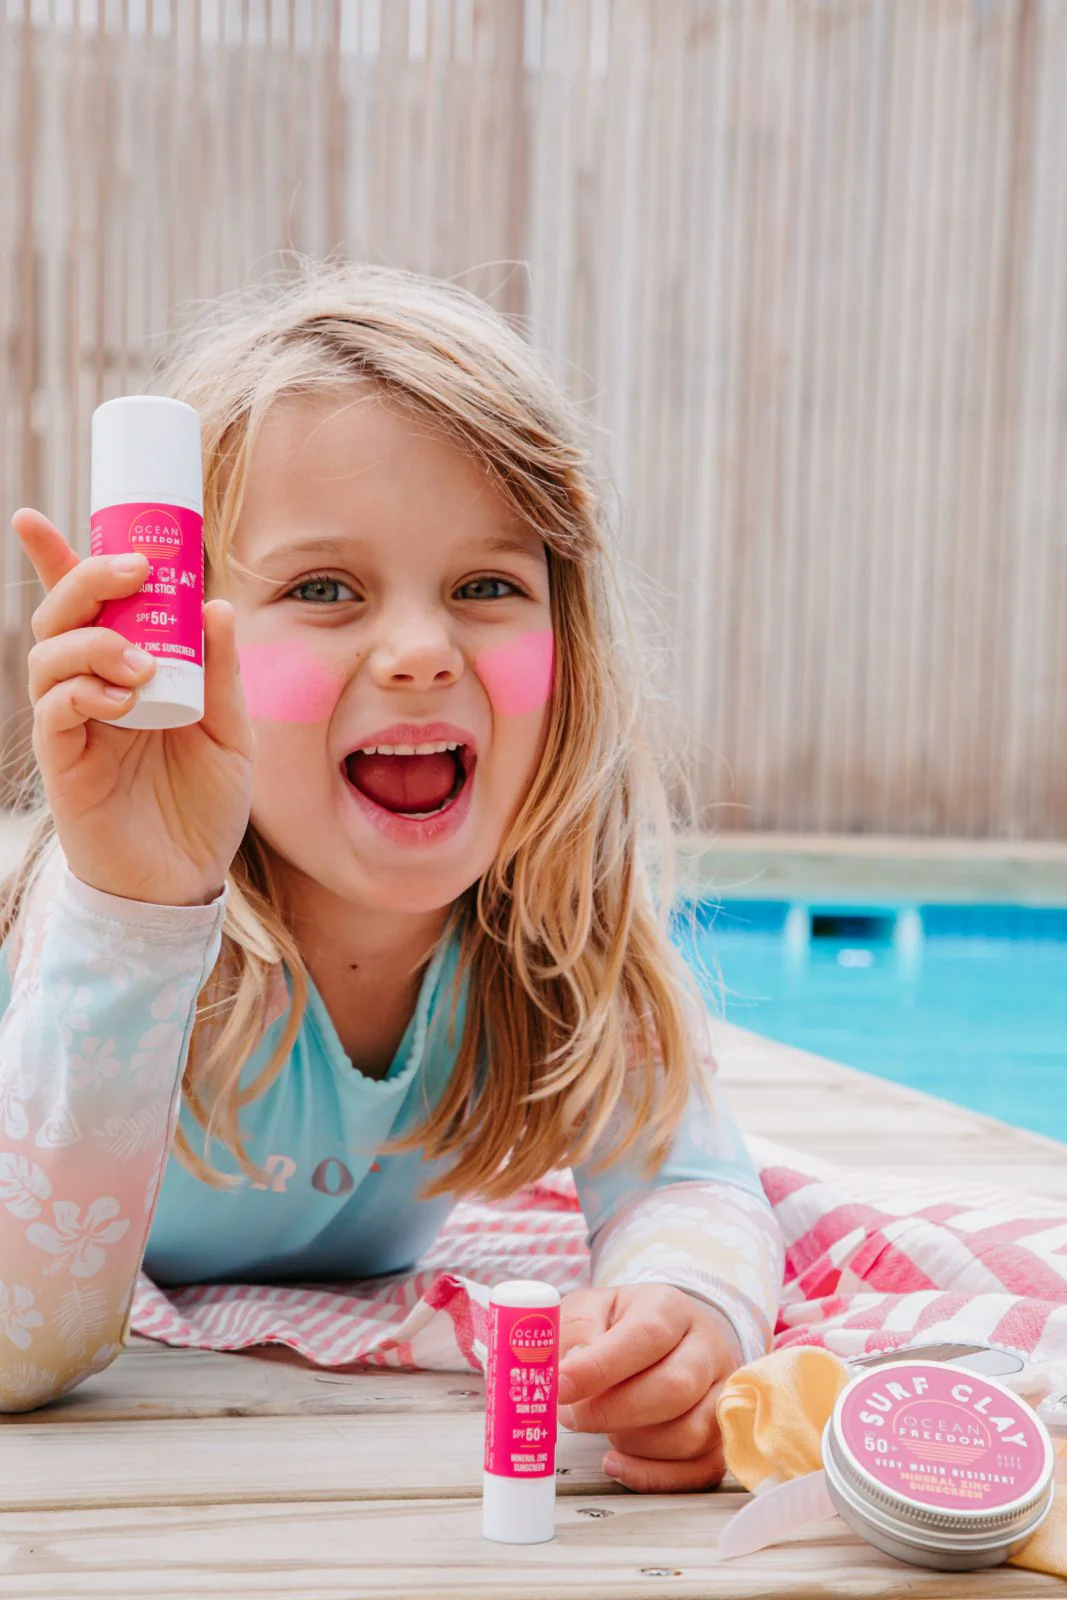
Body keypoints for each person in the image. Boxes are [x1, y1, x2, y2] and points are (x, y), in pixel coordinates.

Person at [0, 261, 782, 1491]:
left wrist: (679, 1310)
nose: (420, 650)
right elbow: (16, 1343)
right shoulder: (108, 911)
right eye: (323, 588)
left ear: (565, 645)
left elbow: (686, 1180)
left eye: (485, 586)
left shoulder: (559, 921)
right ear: (188, 642)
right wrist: (134, 914)